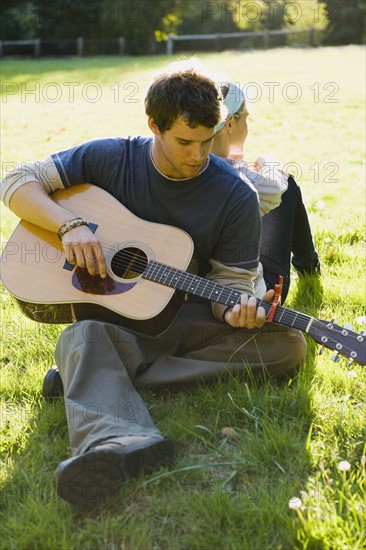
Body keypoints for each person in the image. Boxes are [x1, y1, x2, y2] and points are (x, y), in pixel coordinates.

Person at [0, 65, 307, 510]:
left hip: (191, 317)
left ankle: (95, 379)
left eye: (208, 140)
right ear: (154, 126)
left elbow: (231, 282)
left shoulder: (235, 194)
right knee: (81, 335)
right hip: (118, 323)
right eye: (184, 141)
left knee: (287, 345)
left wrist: (236, 309)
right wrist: (69, 226)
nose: (198, 155)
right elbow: (15, 181)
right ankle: (119, 442)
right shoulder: (110, 157)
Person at [211, 81, 321, 303]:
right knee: (287, 184)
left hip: (205, 288)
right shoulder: (239, 179)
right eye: (246, 118)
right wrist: (267, 164)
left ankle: (310, 266)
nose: (248, 127)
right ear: (230, 123)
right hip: (256, 296)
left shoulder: (187, 164)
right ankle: (309, 267)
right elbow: (275, 188)